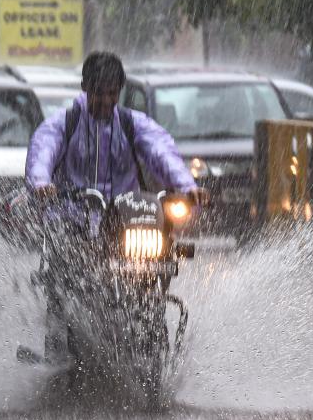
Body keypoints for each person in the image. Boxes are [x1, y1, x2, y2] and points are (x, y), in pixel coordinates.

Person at [24, 51, 209, 362]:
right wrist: (42, 183)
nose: (106, 101)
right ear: (85, 87)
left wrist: (187, 186)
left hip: (126, 221)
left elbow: (161, 151)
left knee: (160, 255)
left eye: (112, 93)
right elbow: (43, 151)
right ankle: (59, 347)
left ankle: (150, 322)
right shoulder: (64, 123)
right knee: (62, 277)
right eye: (99, 93)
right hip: (74, 219)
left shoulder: (132, 124)